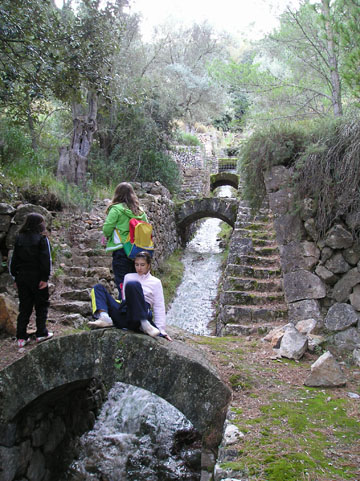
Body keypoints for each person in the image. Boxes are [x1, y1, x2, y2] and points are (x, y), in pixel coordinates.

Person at [88, 251, 172, 341]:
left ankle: (144, 323)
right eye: (137, 265)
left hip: (139, 316)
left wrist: (161, 330)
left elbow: (159, 307)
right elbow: (125, 298)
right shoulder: (128, 277)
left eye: (142, 265)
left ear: (148, 265)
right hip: (125, 313)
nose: (139, 268)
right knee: (98, 288)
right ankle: (105, 318)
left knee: (133, 285)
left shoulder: (155, 282)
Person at [9, 213, 53, 348]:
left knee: (24, 307)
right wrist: (45, 278)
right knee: (41, 306)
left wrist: (15, 277)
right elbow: (46, 260)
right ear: (40, 224)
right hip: (38, 278)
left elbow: (14, 260)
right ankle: (41, 333)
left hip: (22, 277)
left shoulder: (19, 238)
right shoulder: (42, 239)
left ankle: (21, 337)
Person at [103, 182, 148, 298]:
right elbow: (146, 229)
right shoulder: (140, 212)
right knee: (137, 283)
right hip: (137, 252)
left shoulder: (116, 209)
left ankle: (124, 310)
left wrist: (108, 236)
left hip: (121, 250)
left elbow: (107, 229)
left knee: (122, 284)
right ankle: (138, 309)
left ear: (117, 194)